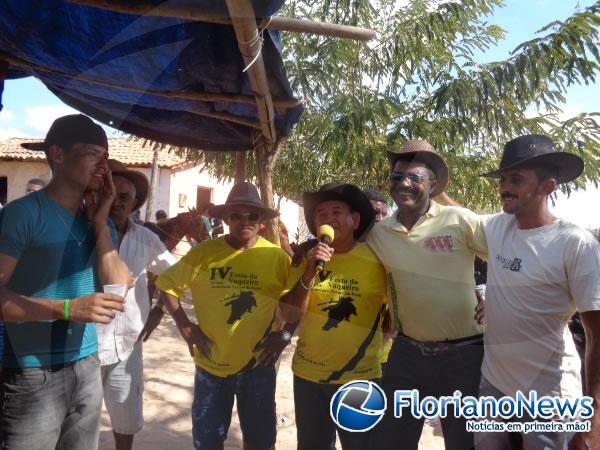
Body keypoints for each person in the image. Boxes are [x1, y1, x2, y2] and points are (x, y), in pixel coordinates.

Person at [0, 114, 130, 449]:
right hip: (32, 372)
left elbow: (120, 285)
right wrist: (68, 307)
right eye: (92, 154)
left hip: (87, 365)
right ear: (58, 155)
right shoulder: (24, 214)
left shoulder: (96, 220)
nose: (102, 166)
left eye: (105, 158)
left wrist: (102, 223)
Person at [473, 134, 600, 450]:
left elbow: (597, 335)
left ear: (548, 187)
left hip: (548, 395)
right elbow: (455, 216)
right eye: (503, 178)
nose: (505, 187)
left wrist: (594, 417)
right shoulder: (498, 227)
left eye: (516, 179)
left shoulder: (574, 244)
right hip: (494, 384)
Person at [368, 139, 487, 450]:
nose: (404, 184)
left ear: (432, 184)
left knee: (464, 443)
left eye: (414, 177)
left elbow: (506, 255)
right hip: (406, 355)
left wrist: (493, 293)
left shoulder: (459, 220)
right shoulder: (379, 233)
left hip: (464, 357)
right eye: (397, 177)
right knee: (391, 442)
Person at [155, 182, 291, 450]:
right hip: (212, 366)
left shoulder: (276, 258)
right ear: (226, 218)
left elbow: (296, 303)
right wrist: (185, 325)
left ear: (261, 220)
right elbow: (166, 286)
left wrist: (284, 336)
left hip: (258, 367)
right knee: (208, 442)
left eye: (252, 215)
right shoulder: (204, 253)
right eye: (237, 214)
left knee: (261, 442)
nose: (245, 220)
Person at [279, 183, 385, 450]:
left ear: (355, 219)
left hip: (359, 380)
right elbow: (288, 314)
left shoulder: (379, 261)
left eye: (336, 211)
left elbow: (393, 318)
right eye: (321, 215)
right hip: (308, 378)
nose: (328, 219)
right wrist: (308, 274)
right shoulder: (305, 260)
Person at [96, 160, 177, 450]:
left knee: (126, 419)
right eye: (109, 193)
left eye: (124, 197)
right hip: (83, 349)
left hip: (127, 346)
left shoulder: (146, 239)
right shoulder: (80, 234)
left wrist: (160, 310)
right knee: (80, 422)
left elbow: (173, 276)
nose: (116, 202)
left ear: (135, 204)